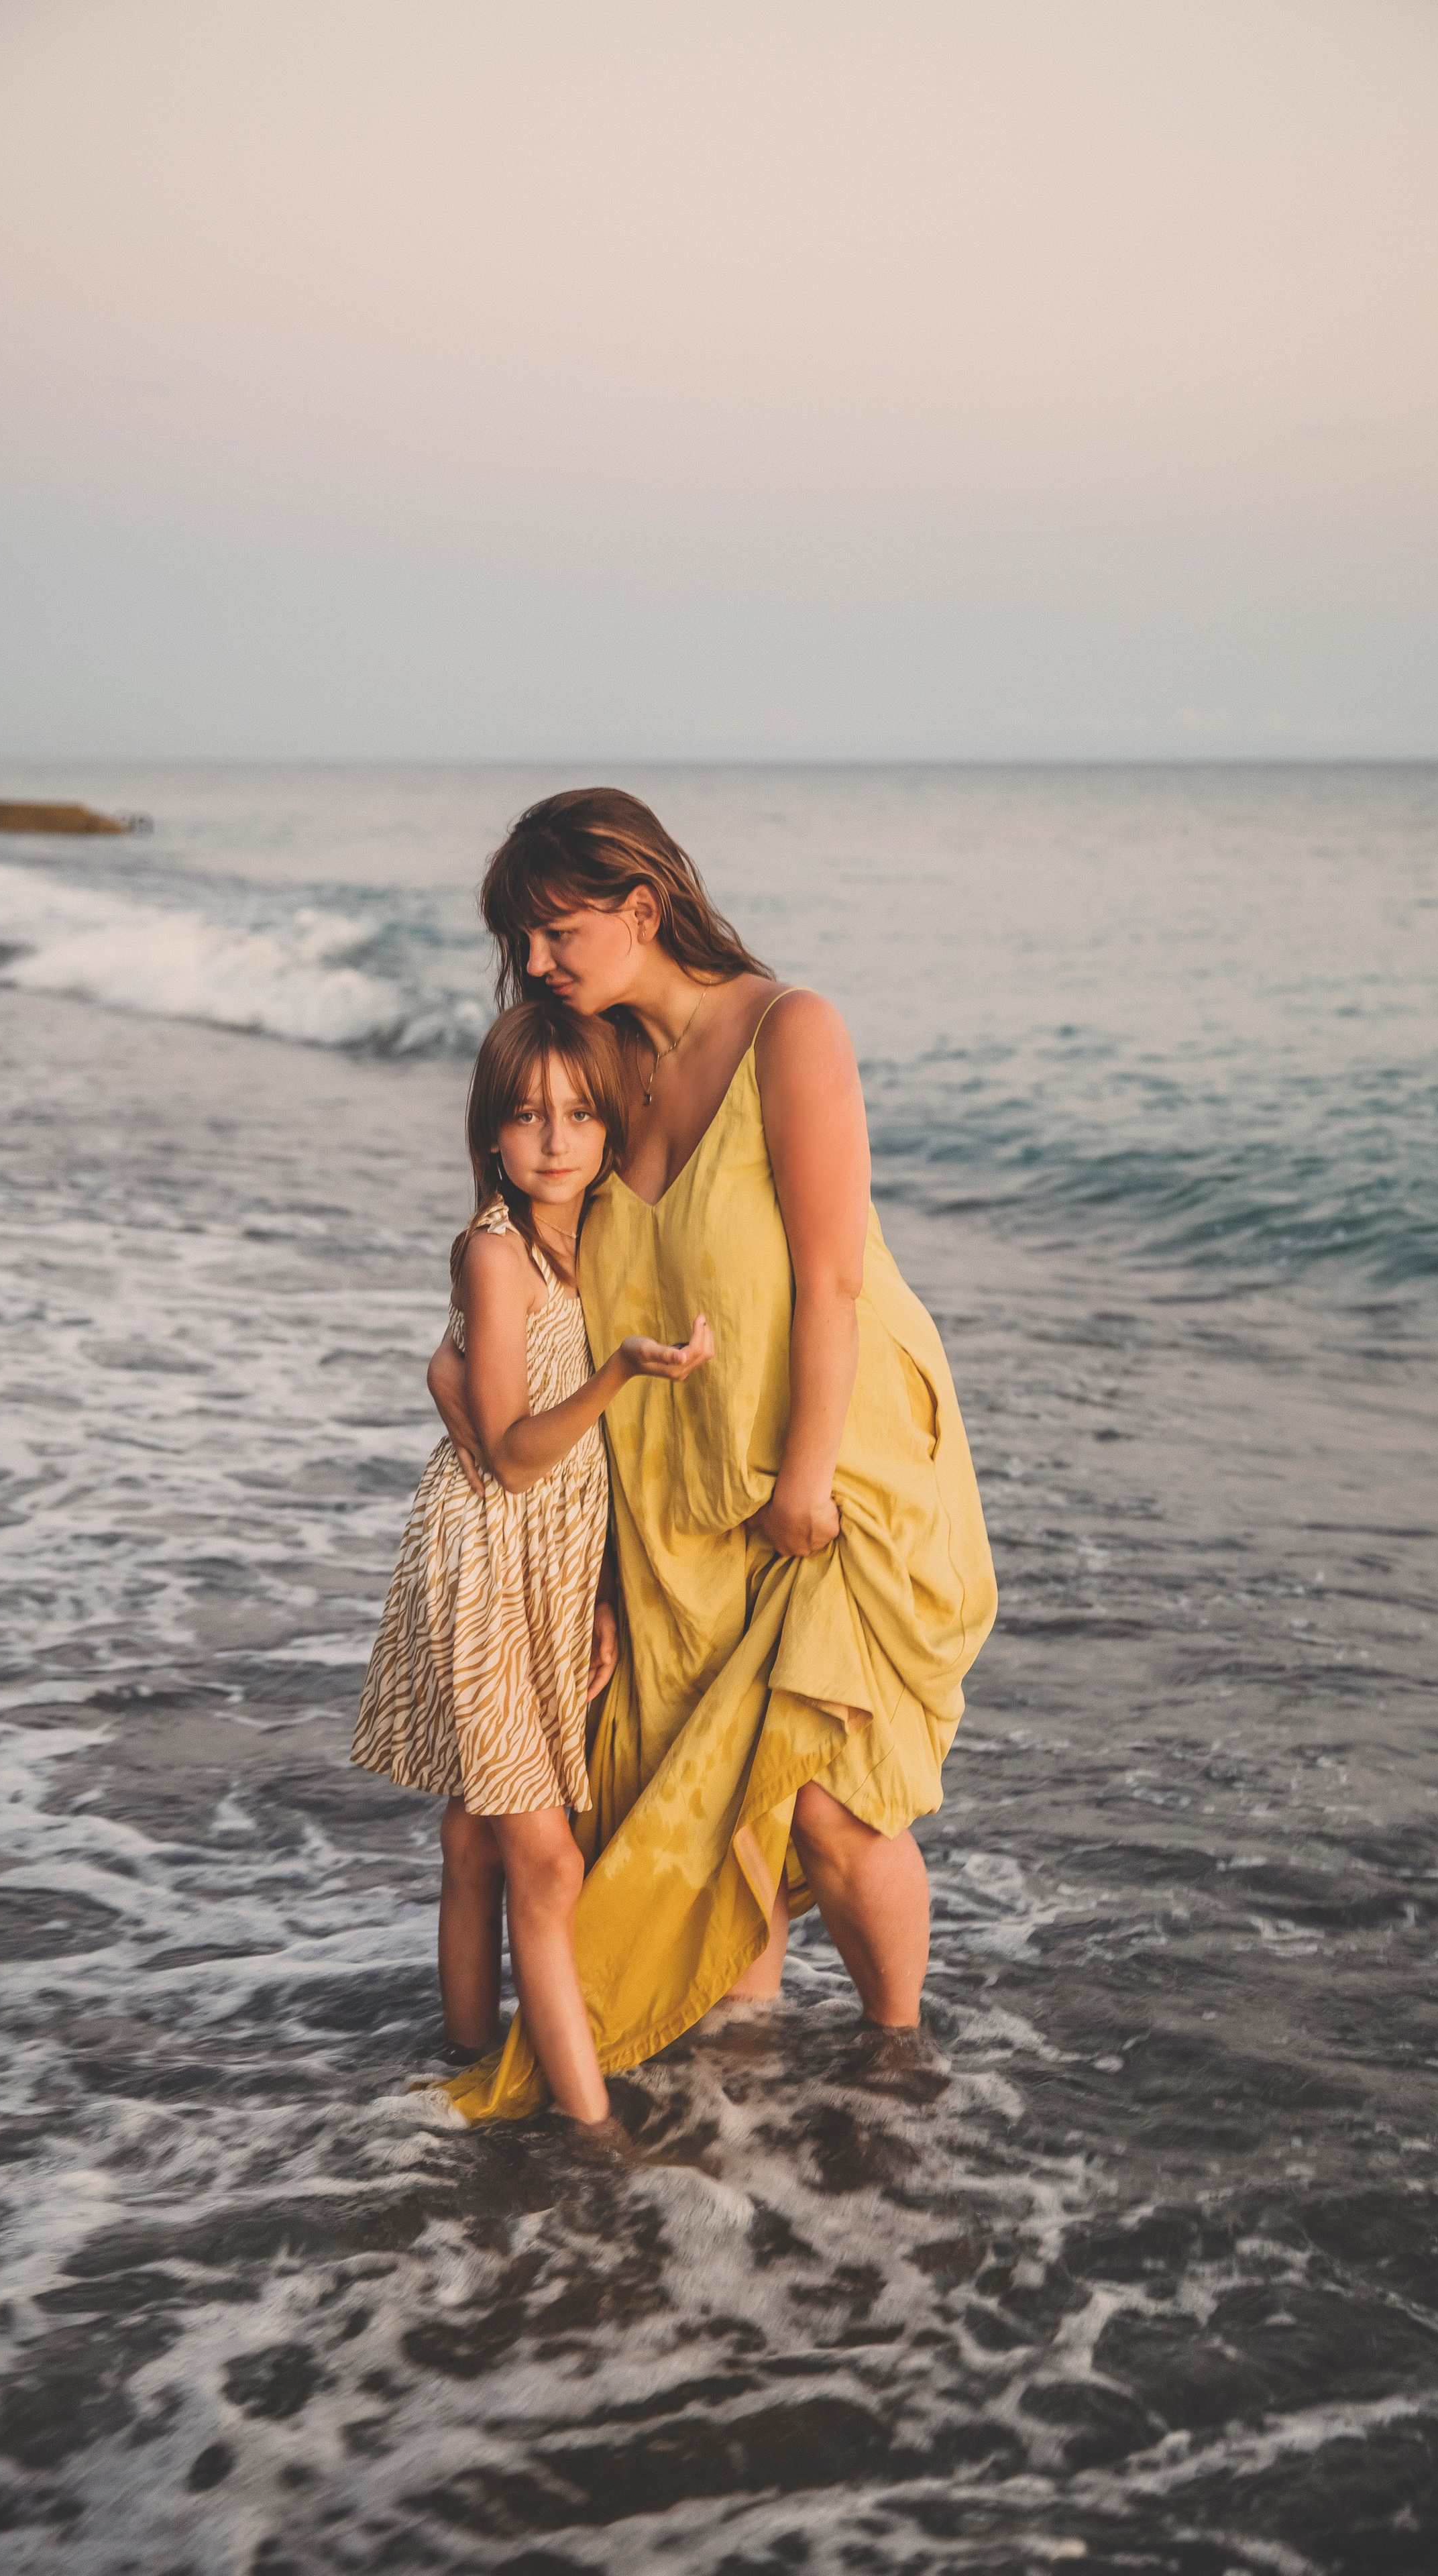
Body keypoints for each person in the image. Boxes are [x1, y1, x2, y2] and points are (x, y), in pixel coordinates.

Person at [429, 788, 999, 2125]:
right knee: (711, 1795)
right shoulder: (604, 1077)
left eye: (553, 930)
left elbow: (829, 1278)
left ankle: (896, 2063)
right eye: (520, 940)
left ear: (641, 906)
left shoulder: (788, 1031)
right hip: (674, 1501)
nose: (534, 963)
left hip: (833, 1465)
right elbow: (539, 1303)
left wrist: (804, 1477)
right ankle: (743, 2075)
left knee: (825, 1800)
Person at [351, 998, 712, 2127]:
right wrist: (613, 1375)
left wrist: (601, 1590)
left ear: (609, 1127)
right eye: (526, 1116)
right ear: (490, 1138)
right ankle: (584, 2135)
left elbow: (448, 1370)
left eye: (576, 1115)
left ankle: (463, 2067)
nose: (555, 1139)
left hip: (549, 1569)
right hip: (484, 1561)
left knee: (476, 1833)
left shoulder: (587, 1240)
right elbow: (513, 1457)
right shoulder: (499, 1252)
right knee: (545, 1867)